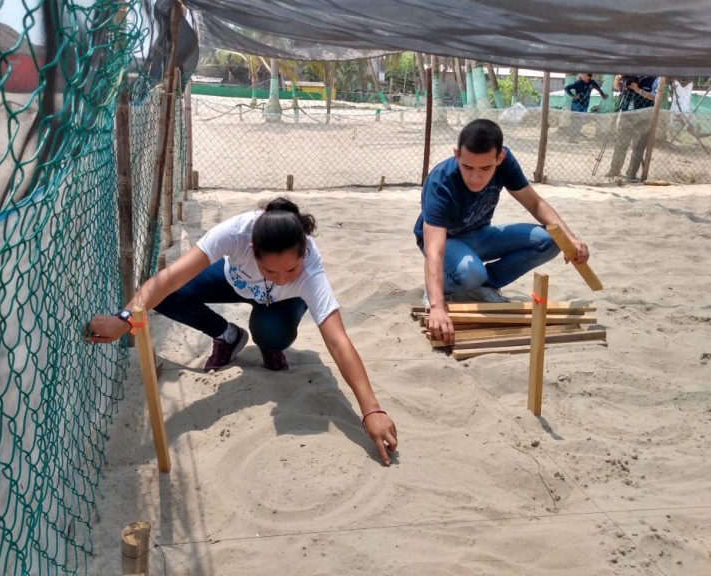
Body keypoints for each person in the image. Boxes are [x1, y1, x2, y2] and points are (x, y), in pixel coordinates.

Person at [85, 197, 398, 465]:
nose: (282, 277)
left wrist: (372, 410)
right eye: (270, 270)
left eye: (291, 269)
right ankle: (227, 335)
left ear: (304, 249)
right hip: (237, 284)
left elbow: (337, 339)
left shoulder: (309, 270)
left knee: (271, 333)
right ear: (251, 249)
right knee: (168, 295)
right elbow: (168, 278)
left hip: (281, 305)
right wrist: (125, 317)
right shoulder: (234, 233)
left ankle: (268, 339)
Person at [413, 119, 590, 346]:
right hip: (445, 241)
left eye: (486, 168)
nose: (475, 177)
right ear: (457, 155)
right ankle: (442, 287)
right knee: (470, 272)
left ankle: (485, 286)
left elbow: (535, 204)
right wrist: (437, 307)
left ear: (499, 158)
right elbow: (434, 250)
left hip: (479, 233)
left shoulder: (506, 163)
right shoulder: (442, 182)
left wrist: (570, 238)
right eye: (467, 167)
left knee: (551, 240)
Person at [605, 75, 659, 182]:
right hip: (627, 116)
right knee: (621, 144)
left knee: (638, 147)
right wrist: (617, 81)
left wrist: (637, 89)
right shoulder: (630, 76)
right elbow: (617, 90)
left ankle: (631, 174)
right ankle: (614, 170)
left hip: (643, 118)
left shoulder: (655, 79)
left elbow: (655, 97)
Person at [564, 73, 608, 139]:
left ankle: (576, 135)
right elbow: (566, 88)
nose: (583, 76)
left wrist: (602, 95)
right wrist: (573, 95)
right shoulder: (578, 83)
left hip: (585, 104)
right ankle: (571, 137)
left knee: (581, 121)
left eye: (585, 75)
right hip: (576, 104)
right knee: (574, 119)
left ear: (589, 77)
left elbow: (598, 88)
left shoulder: (592, 82)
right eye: (582, 75)